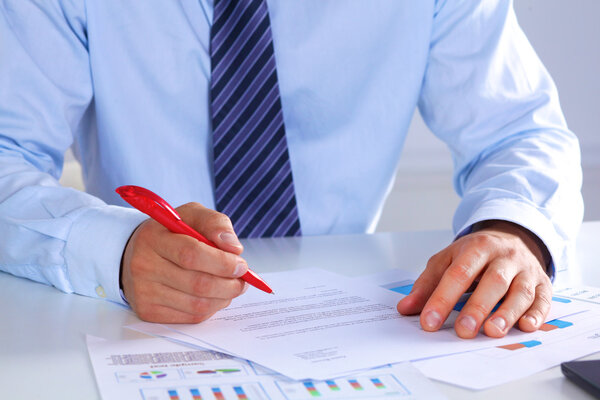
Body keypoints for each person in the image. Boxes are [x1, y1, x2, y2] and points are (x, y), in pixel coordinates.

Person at [0, 0, 582, 340]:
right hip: (138, 328)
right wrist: (119, 250)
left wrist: (515, 230)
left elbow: (521, 132)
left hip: (352, 332)